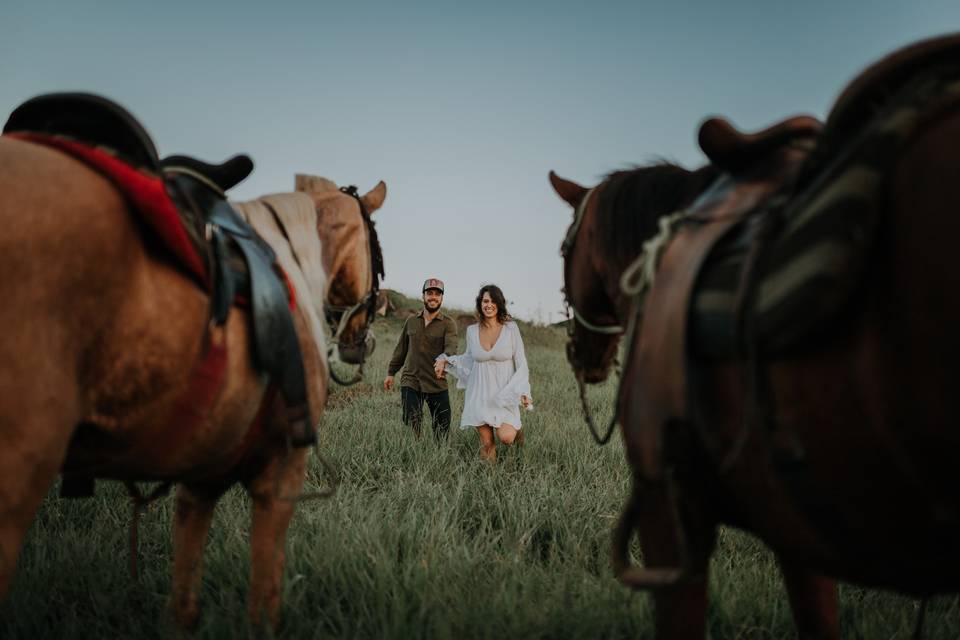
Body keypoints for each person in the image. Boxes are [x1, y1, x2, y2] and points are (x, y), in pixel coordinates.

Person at [435, 284, 532, 462]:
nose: (489, 305)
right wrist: (446, 361)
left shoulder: (511, 328)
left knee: (506, 437)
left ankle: (518, 433)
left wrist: (524, 391)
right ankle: (491, 481)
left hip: (504, 392)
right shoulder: (472, 331)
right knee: (487, 443)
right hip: (479, 392)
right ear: (480, 304)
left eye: (493, 301)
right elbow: (469, 359)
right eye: (485, 301)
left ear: (499, 304)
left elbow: (521, 361)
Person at [384, 278, 459, 442]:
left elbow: (451, 346)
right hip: (411, 381)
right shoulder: (411, 321)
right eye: (429, 293)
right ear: (423, 296)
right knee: (412, 426)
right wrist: (391, 373)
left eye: (437, 294)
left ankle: (438, 459)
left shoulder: (448, 324)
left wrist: (443, 359)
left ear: (442, 298)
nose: (433, 297)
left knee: (442, 430)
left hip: (436, 382)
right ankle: (414, 456)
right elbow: (400, 350)